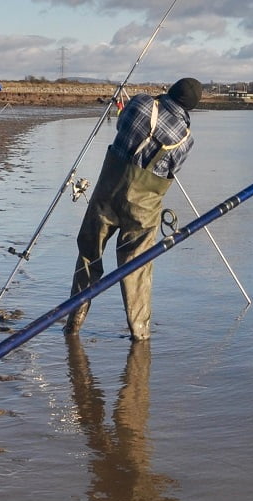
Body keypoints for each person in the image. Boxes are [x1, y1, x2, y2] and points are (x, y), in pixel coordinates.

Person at [64, 77, 201, 340]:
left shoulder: (141, 103)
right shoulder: (185, 139)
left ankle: (74, 323)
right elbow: (173, 170)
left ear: (169, 90)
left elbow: (120, 124)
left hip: (106, 195)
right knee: (137, 268)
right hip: (144, 208)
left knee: (88, 255)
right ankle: (140, 334)